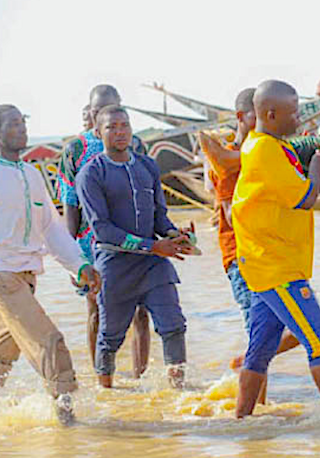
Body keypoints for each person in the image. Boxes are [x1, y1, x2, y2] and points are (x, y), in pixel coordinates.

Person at [233, 80, 320, 419]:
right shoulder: (265, 151)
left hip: (265, 262)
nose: (300, 119)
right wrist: (317, 166)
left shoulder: (264, 145)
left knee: (261, 350)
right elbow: (305, 197)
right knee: (319, 339)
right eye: (295, 112)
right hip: (275, 266)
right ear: (270, 114)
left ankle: (241, 423)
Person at [76, 105, 191, 389]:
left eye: (124, 125)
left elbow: (159, 217)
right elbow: (102, 229)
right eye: (111, 127)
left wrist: (176, 235)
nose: (119, 132)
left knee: (174, 326)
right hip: (115, 265)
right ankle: (107, 395)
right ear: (97, 132)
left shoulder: (147, 166)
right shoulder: (90, 174)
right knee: (110, 338)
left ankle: (179, 393)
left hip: (153, 265)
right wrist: (154, 246)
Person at [0, 104, 100, 425]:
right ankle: (70, 428)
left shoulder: (31, 173)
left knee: (3, 356)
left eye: (23, 122)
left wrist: (80, 265)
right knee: (50, 343)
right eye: (13, 123)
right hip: (3, 277)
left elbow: (51, 229)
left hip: (27, 276)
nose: (22, 129)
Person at [198, 89, 301, 395]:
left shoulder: (269, 152)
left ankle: (246, 365)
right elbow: (232, 217)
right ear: (243, 117)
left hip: (273, 255)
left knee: (303, 328)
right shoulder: (232, 161)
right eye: (259, 115)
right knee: (260, 333)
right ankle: (254, 414)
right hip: (242, 258)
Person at [57, 85, 151, 378]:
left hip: (135, 240)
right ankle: (103, 379)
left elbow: (149, 196)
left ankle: (140, 379)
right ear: (92, 114)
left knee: (141, 312)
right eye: (99, 111)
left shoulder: (137, 145)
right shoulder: (75, 149)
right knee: (96, 310)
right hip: (91, 244)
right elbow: (69, 204)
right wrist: (72, 259)